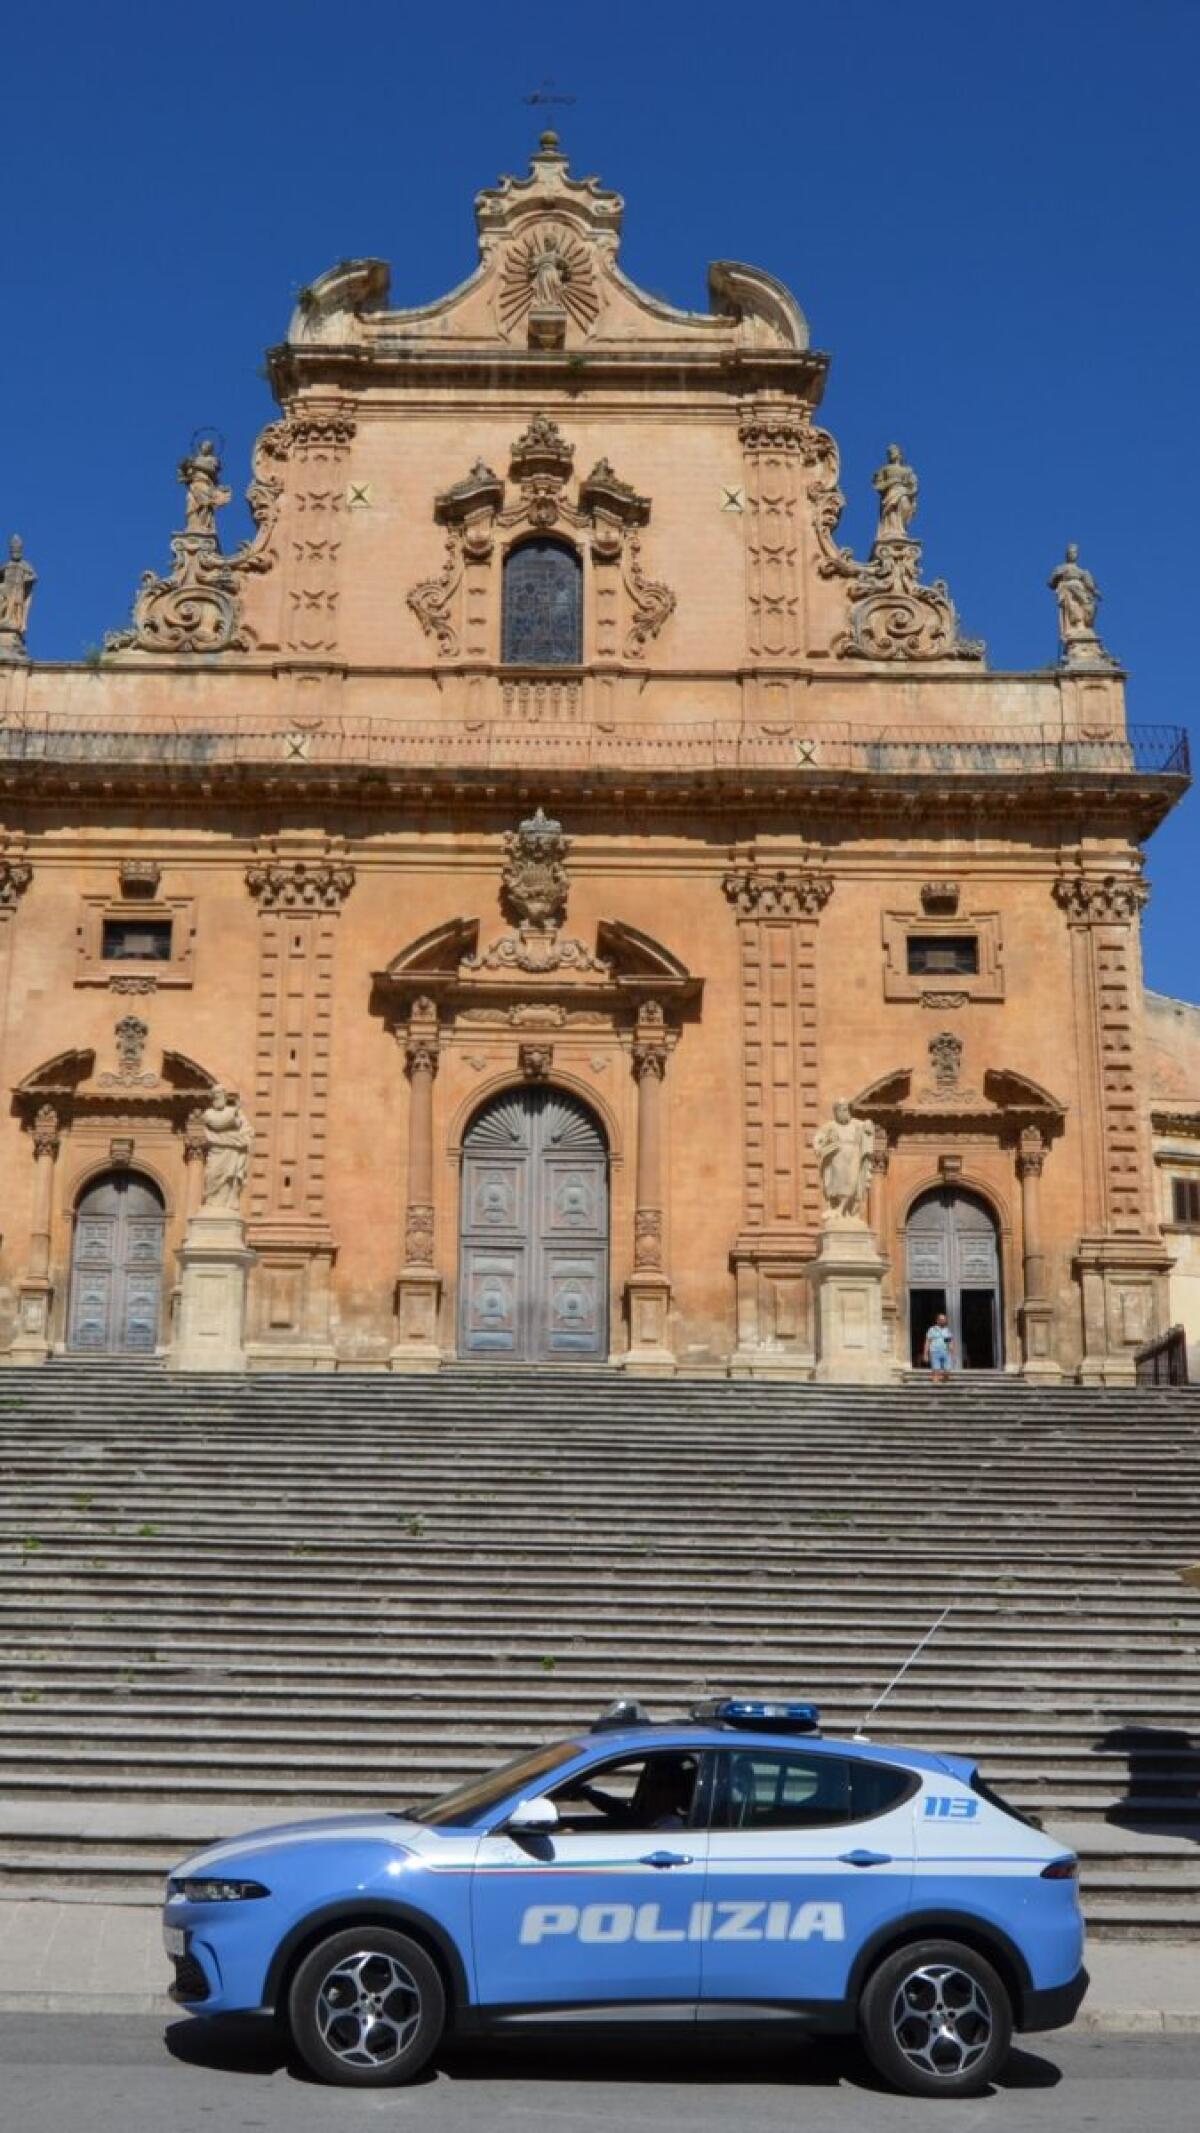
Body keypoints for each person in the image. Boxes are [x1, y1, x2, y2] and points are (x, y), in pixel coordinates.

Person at [924, 1312, 954, 1383]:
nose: (943, 1321)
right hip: (935, 1352)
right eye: (941, 1319)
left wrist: (952, 1352)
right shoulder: (932, 1330)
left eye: (944, 1320)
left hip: (946, 1352)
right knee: (936, 1371)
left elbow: (949, 1341)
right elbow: (928, 1342)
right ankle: (935, 1385)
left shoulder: (947, 1330)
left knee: (947, 1371)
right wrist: (925, 1354)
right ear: (937, 1320)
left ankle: (945, 1384)